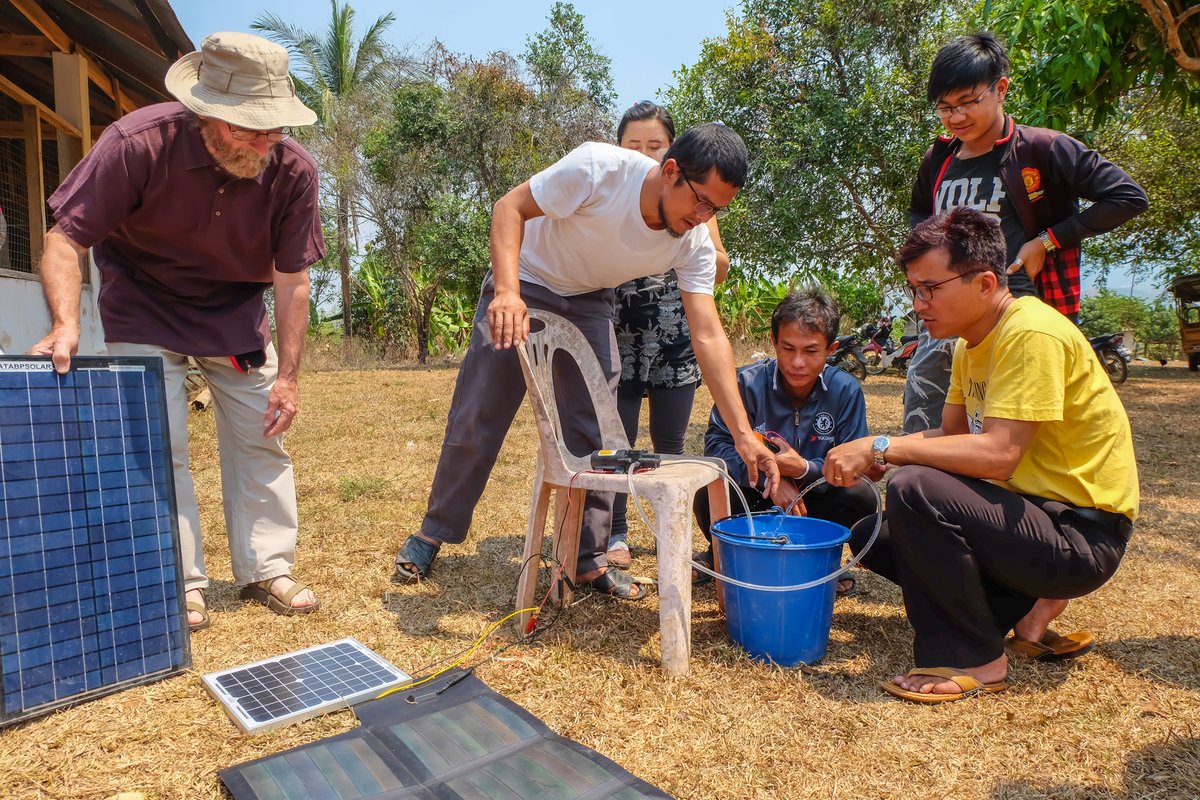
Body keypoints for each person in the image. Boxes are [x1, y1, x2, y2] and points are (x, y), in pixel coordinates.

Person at [394, 123, 780, 600]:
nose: (704, 217)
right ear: (671, 171)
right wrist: (508, 293)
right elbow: (508, 208)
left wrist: (744, 435)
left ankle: (587, 558)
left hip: (590, 299)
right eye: (701, 201)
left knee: (601, 431)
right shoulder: (598, 169)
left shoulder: (693, 241)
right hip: (527, 279)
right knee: (480, 413)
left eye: (717, 210)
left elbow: (708, 334)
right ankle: (434, 531)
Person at [30, 32, 325, 631]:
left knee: (260, 438)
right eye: (248, 126)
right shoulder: (135, 143)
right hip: (143, 304)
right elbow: (64, 239)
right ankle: (179, 579)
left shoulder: (293, 171)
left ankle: (267, 567)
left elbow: (292, 281)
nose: (263, 142)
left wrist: (288, 377)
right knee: (158, 447)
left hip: (235, 315)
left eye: (274, 127)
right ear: (206, 113)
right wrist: (65, 323)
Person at [825, 207, 1137, 703]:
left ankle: (976, 657)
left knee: (915, 490)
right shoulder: (971, 344)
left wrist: (885, 446)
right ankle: (1011, 611)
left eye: (931, 288)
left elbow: (999, 456)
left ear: (986, 282)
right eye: (914, 290)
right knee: (874, 536)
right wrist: (882, 451)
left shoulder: (1030, 334)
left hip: (1080, 536)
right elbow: (947, 440)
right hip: (1031, 522)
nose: (918, 303)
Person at [903, 32, 1147, 435]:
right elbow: (918, 211)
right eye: (945, 108)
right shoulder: (939, 158)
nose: (956, 117)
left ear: (1000, 89)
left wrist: (1047, 241)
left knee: (1005, 438)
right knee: (926, 428)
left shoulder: (1041, 148)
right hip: (947, 317)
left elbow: (1126, 196)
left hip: (1013, 314)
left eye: (967, 102)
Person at [606, 101, 730, 569]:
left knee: (669, 445)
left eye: (654, 146)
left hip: (676, 332)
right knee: (617, 440)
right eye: (632, 145)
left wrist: (691, 248)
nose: (643, 154)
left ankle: (666, 532)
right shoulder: (614, 194)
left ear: (673, 157)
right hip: (616, 329)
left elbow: (717, 267)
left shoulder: (697, 206)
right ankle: (615, 534)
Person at [693, 288, 881, 594]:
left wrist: (803, 469)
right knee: (710, 488)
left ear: (831, 348)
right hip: (754, 497)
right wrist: (771, 478)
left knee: (860, 496)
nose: (797, 362)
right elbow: (717, 446)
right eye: (787, 348)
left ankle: (819, 561)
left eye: (810, 351)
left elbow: (853, 465)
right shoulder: (744, 384)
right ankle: (726, 558)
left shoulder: (846, 391)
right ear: (773, 342)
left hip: (816, 502)